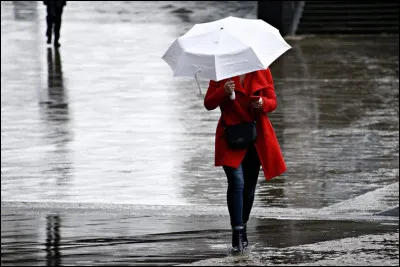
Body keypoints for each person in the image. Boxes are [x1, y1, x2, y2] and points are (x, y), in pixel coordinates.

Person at [204, 68, 286, 254]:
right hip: (230, 138)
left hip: (255, 138)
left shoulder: (262, 70)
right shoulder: (220, 72)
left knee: (248, 190)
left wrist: (262, 103)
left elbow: (273, 102)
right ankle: (237, 233)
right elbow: (208, 103)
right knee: (237, 183)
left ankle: (243, 226)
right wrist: (222, 92)